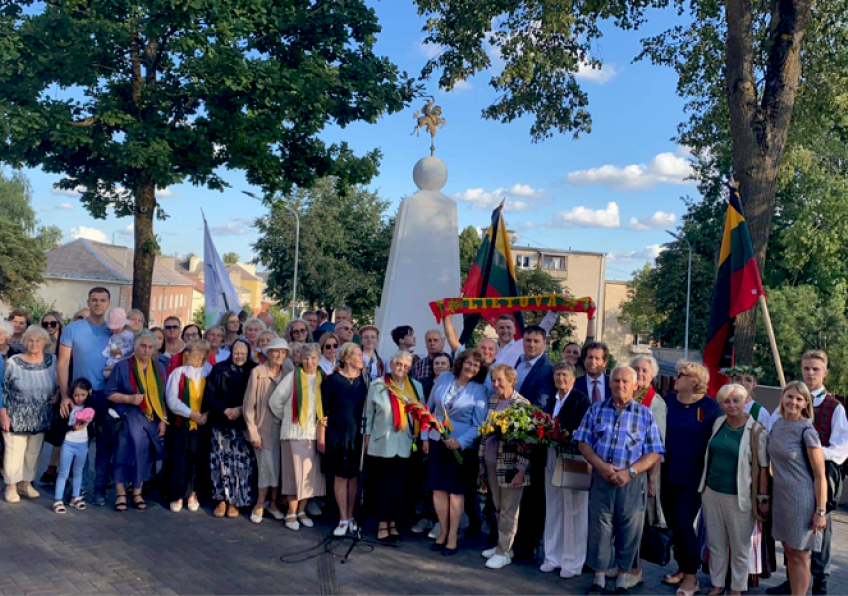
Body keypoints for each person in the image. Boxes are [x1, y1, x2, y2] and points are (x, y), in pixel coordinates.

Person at [575, 366, 665, 595]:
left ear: (635, 386)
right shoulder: (595, 410)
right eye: (616, 380)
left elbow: (654, 452)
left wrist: (631, 472)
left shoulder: (645, 415)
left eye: (626, 381)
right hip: (602, 479)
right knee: (600, 530)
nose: (620, 385)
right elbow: (583, 442)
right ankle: (599, 578)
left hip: (632, 482)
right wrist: (600, 465)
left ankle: (623, 579)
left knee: (629, 530)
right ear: (610, 383)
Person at [698, 383, 770, 596]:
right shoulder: (718, 422)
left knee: (739, 546)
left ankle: (737, 588)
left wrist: (763, 498)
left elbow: (763, 468)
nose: (731, 405)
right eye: (726, 401)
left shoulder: (757, 430)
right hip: (711, 491)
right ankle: (718, 584)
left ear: (745, 401)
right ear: (720, 404)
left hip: (739, 496)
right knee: (716, 542)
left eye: (736, 400)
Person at [662, 361, 722, 595]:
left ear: (694, 381)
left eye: (681, 375)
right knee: (673, 524)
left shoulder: (711, 408)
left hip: (693, 478)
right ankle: (681, 567)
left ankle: (691, 577)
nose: (675, 378)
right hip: (667, 474)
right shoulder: (668, 401)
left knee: (683, 523)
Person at [423, 349, 488, 555]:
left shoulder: (479, 390)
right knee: (438, 490)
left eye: (475, 366)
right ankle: (442, 532)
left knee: (455, 492)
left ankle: (452, 536)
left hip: (461, 448)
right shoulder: (444, 377)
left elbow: (479, 425)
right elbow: (429, 409)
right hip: (437, 442)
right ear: (460, 363)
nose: (470, 368)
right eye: (468, 363)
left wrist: (460, 442)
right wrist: (425, 436)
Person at [768, 381, 827, 596]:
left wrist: (820, 512)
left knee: (801, 555)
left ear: (805, 403)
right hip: (781, 497)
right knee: (789, 551)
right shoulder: (778, 424)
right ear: (782, 397)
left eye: (799, 399)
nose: (793, 401)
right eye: (790, 396)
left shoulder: (807, 431)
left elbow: (820, 475)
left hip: (801, 499)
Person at [58, 287, 112, 506]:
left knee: (104, 445)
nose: (98, 304)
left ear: (109, 303)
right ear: (88, 302)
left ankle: (99, 488)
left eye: (102, 300)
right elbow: (62, 363)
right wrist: (64, 395)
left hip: (107, 395)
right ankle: (76, 485)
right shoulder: (73, 329)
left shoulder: (114, 331)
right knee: (78, 441)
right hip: (81, 396)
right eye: (94, 300)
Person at [103, 331, 168, 512]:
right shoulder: (123, 367)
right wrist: (129, 399)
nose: (146, 350)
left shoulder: (159, 368)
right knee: (122, 454)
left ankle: (137, 492)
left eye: (150, 347)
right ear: (135, 346)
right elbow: (110, 393)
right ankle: (120, 493)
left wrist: (163, 420)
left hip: (149, 420)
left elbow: (161, 398)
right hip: (126, 417)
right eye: (143, 346)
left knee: (143, 456)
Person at [363, 351, 423, 542]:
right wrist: (366, 439)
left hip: (405, 443)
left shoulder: (415, 387)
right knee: (382, 485)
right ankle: (382, 524)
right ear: (392, 363)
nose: (402, 369)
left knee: (399, 487)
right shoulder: (378, 385)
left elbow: (420, 415)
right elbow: (368, 415)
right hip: (382, 442)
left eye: (406, 366)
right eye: (399, 364)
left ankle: (394, 524)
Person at [478, 365, 532, 569]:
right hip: (491, 461)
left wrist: (521, 469)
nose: (496, 384)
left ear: (512, 381)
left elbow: (528, 441)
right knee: (498, 507)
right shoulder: (493, 400)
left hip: (511, 464)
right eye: (493, 380)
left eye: (500, 380)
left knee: (509, 509)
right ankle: (500, 545)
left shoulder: (521, 404)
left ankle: (505, 551)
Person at [269, 342, 327, 531]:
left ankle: (301, 511)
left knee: (310, 477)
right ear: (300, 359)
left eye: (313, 358)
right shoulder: (292, 378)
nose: (309, 362)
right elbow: (275, 401)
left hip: (313, 435)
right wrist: (289, 417)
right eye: (305, 358)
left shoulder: (323, 378)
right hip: (294, 433)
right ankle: (291, 513)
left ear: (318, 359)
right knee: (294, 475)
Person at [541, 361, 591, 578]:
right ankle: (552, 556)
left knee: (574, 510)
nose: (560, 379)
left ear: (573, 378)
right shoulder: (550, 399)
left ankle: (572, 562)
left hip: (574, 457)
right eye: (557, 375)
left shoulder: (581, 399)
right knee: (553, 506)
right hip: (551, 456)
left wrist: (564, 435)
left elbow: (584, 428)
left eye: (564, 375)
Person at [511, 325, 555, 564]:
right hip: (513, 437)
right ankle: (515, 539)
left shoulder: (546, 369)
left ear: (544, 343)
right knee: (516, 492)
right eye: (528, 340)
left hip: (532, 441)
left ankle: (529, 545)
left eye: (536, 341)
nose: (531, 345)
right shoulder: (519, 362)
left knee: (532, 496)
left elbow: (541, 408)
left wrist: (526, 438)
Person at [1, 325, 58, 503]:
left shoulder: (52, 360)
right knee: (14, 452)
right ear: (25, 342)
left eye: (38, 340)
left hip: (40, 415)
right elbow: (2, 389)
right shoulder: (13, 362)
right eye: (30, 340)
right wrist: (3, 414)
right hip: (15, 415)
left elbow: (58, 382)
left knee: (33, 452)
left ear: (45, 342)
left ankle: (25, 484)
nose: (34, 344)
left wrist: (57, 395)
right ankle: (11, 486)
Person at [627, 354, 668, 588]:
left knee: (638, 522)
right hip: (622, 468)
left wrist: (652, 479)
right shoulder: (625, 396)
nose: (640, 374)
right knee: (623, 520)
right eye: (636, 369)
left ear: (652, 375)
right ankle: (623, 563)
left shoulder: (656, 403)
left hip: (645, 470)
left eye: (644, 370)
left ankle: (636, 569)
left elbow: (658, 444)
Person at [320, 342, 369, 537]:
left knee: (354, 477)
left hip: (357, 434)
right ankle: (342, 518)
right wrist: (321, 438)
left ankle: (352, 517)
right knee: (340, 477)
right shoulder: (332, 380)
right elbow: (323, 411)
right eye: (358, 354)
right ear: (347, 358)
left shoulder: (365, 380)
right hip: (337, 434)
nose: (361, 358)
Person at [204, 339, 257, 519]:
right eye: (236, 352)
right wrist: (224, 409)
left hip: (244, 424)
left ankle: (236, 501)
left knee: (241, 464)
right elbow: (208, 395)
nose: (239, 356)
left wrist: (241, 409)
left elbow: (259, 396)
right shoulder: (219, 369)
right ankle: (221, 500)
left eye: (243, 353)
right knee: (220, 463)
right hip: (222, 421)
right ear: (231, 352)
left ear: (248, 353)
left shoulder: (254, 370)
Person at [243, 337, 288, 524]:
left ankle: (273, 503)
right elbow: (248, 406)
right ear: (268, 353)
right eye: (275, 351)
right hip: (263, 429)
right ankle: (260, 503)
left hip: (284, 430)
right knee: (266, 467)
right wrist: (253, 432)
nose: (279, 355)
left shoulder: (289, 372)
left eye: (283, 352)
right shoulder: (257, 372)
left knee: (278, 467)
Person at [164, 339, 211, 512]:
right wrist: (190, 413)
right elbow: (171, 399)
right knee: (180, 459)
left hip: (203, 425)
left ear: (203, 354)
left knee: (197, 460)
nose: (188, 354)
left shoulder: (209, 372)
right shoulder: (179, 373)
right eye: (188, 350)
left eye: (192, 351)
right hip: (182, 424)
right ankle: (177, 494)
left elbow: (213, 396)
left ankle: (192, 493)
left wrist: (206, 414)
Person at [52, 378, 94, 513]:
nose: (79, 398)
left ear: (88, 393)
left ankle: (76, 497)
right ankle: (58, 499)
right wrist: (72, 428)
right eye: (76, 395)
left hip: (83, 444)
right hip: (69, 443)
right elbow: (60, 426)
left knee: (79, 471)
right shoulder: (68, 406)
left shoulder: (90, 407)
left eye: (83, 395)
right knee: (63, 472)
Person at [102, 308, 135, 379]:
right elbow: (110, 344)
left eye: (117, 329)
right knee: (106, 373)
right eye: (112, 329)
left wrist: (121, 351)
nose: (114, 331)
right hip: (113, 359)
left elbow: (133, 348)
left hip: (123, 360)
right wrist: (107, 352)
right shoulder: (113, 336)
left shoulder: (128, 335)